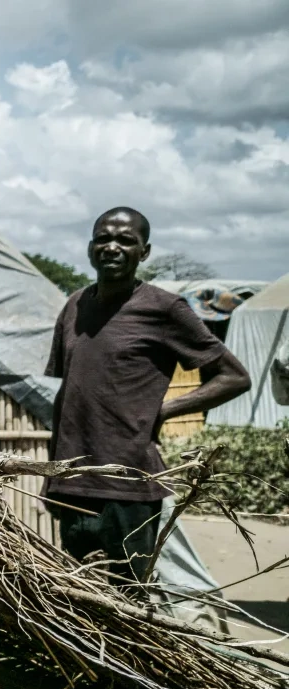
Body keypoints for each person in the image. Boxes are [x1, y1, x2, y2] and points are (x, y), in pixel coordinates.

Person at [44, 207, 250, 584]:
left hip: (130, 484)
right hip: (73, 481)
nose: (112, 247)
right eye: (103, 238)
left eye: (126, 240)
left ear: (145, 252)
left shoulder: (164, 308)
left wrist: (165, 410)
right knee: (77, 593)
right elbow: (68, 398)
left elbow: (234, 377)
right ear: (90, 248)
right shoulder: (74, 306)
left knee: (129, 598)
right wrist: (52, 476)